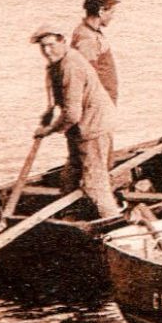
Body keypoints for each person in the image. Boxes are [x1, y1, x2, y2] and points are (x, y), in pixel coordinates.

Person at [31, 22, 120, 220]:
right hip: (80, 128)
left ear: (63, 41)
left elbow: (72, 114)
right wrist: (48, 115)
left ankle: (113, 223)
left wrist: (49, 130)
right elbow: (58, 98)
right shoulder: (58, 63)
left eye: (51, 45)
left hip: (93, 127)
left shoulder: (70, 66)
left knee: (95, 183)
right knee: (70, 176)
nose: (46, 50)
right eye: (42, 46)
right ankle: (66, 218)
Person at [71, 0, 120, 102]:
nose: (112, 17)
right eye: (111, 12)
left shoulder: (90, 32)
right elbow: (87, 77)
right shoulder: (88, 38)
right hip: (98, 106)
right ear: (101, 11)